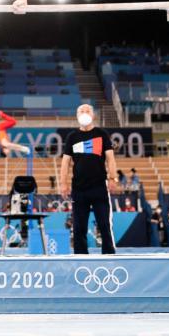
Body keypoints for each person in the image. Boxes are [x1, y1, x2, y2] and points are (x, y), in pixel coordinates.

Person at [59, 103, 118, 254]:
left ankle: (109, 255)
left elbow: (110, 158)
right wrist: (63, 183)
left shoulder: (101, 133)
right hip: (79, 188)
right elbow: (65, 162)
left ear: (93, 115)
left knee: (104, 224)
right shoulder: (72, 136)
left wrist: (113, 178)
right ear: (77, 116)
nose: (84, 113)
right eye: (81, 111)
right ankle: (80, 257)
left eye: (87, 110)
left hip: (99, 186)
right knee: (79, 226)